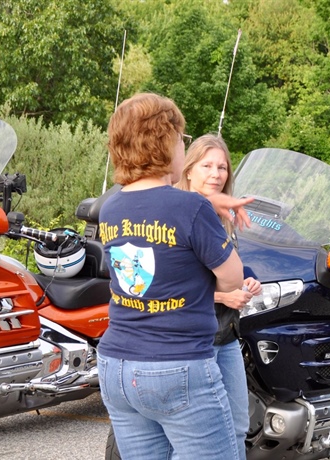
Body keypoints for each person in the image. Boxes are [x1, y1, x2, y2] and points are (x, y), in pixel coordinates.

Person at [98, 93, 248, 459]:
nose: (182, 145)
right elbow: (233, 278)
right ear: (165, 142)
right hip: (176, 364)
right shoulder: (191, 206)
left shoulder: (110, 207)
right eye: (182, 138)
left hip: (115, 366)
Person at [176, 134, 262, 460]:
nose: (216, 174)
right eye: (207, 166)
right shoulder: (179, 214)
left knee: (237, 426)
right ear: (188, 170)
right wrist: (224, 297)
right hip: (194, 339)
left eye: (222, 167)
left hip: (226, 335)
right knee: (197, 434)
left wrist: (247, 279)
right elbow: (173, 285)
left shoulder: (222, 217)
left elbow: (225, 267)